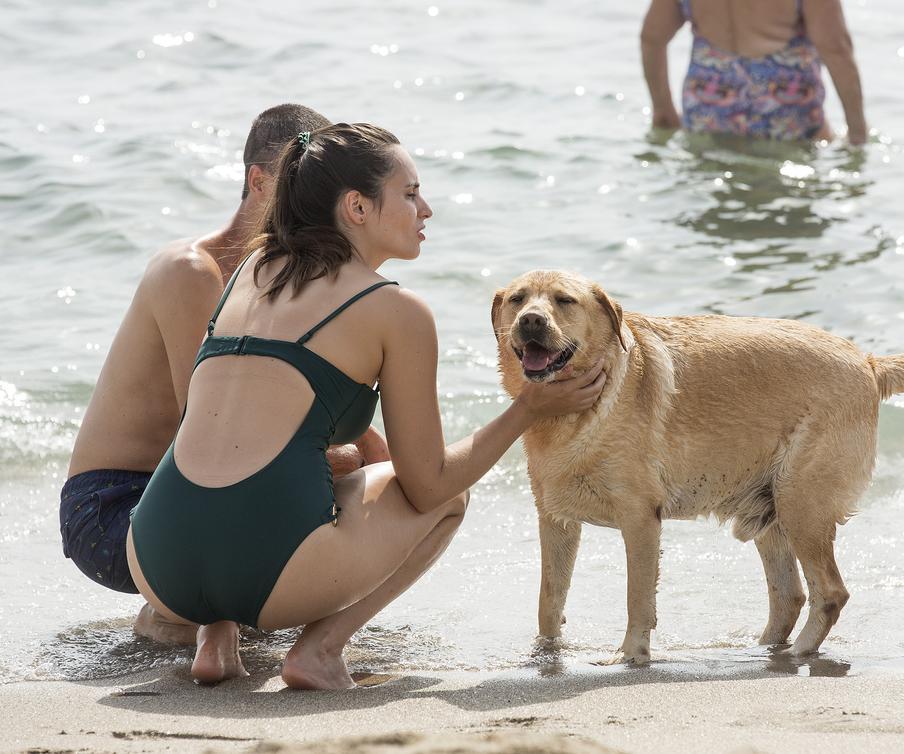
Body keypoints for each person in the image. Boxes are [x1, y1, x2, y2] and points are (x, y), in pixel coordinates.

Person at [125, 123, 607, 689]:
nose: (425, 209)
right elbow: (427, 485)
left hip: (157, 559)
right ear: (356, 206)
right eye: (409, 193)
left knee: (270, 460)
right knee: (450, 496)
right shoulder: (395, 310)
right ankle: (320, 652)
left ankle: (216, 635)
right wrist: (529, 408)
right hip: (265, 573)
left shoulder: (250, 274)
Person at [60, 104, 388, 645]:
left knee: (371, 473)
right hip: (112, 509)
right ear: (259, 182)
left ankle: (233, 610)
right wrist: (344, 459)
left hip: (193, 494)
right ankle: (179, 612)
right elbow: (212, 431)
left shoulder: (277, 280)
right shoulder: (191, 272)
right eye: (300, 184)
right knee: (339, 469)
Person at [640, 0, 867, 143]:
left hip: (708, 111)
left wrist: (663, 109)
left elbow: (652, 37)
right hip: (785, 117)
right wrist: (857, 133)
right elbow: (836, 51)